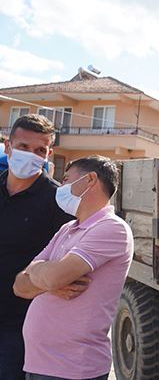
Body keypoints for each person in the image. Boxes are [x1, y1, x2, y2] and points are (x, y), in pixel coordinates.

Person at [13, 155, 133, 380]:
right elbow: (19, 285)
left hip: (72, 368)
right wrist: (47, 280)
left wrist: (38, 271)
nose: (61, 186)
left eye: (66, 179)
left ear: (90, 180)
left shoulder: (112, 228)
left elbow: (51, 277)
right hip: (41, 364)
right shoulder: (67, 228)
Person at [0, 115, 73, 380]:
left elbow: (69, 264)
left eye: (39, 150)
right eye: (23, 147)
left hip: (20, 327)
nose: (30, 155)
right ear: (8, 147)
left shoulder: (59, 203)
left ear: (49, 154)